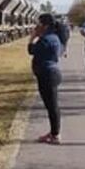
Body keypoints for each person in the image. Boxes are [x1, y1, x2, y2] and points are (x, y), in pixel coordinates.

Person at [29, 13, 63, 144]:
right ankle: (53, 132)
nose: (37, 26)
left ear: (45, 25)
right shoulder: (54, 37)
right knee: (51, 106)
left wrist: (32, 37)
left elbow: (31, 50)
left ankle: (55, 134)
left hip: (47, 74)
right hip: (50, 73)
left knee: (52, 106)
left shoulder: (46, 39)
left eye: (39, 24)